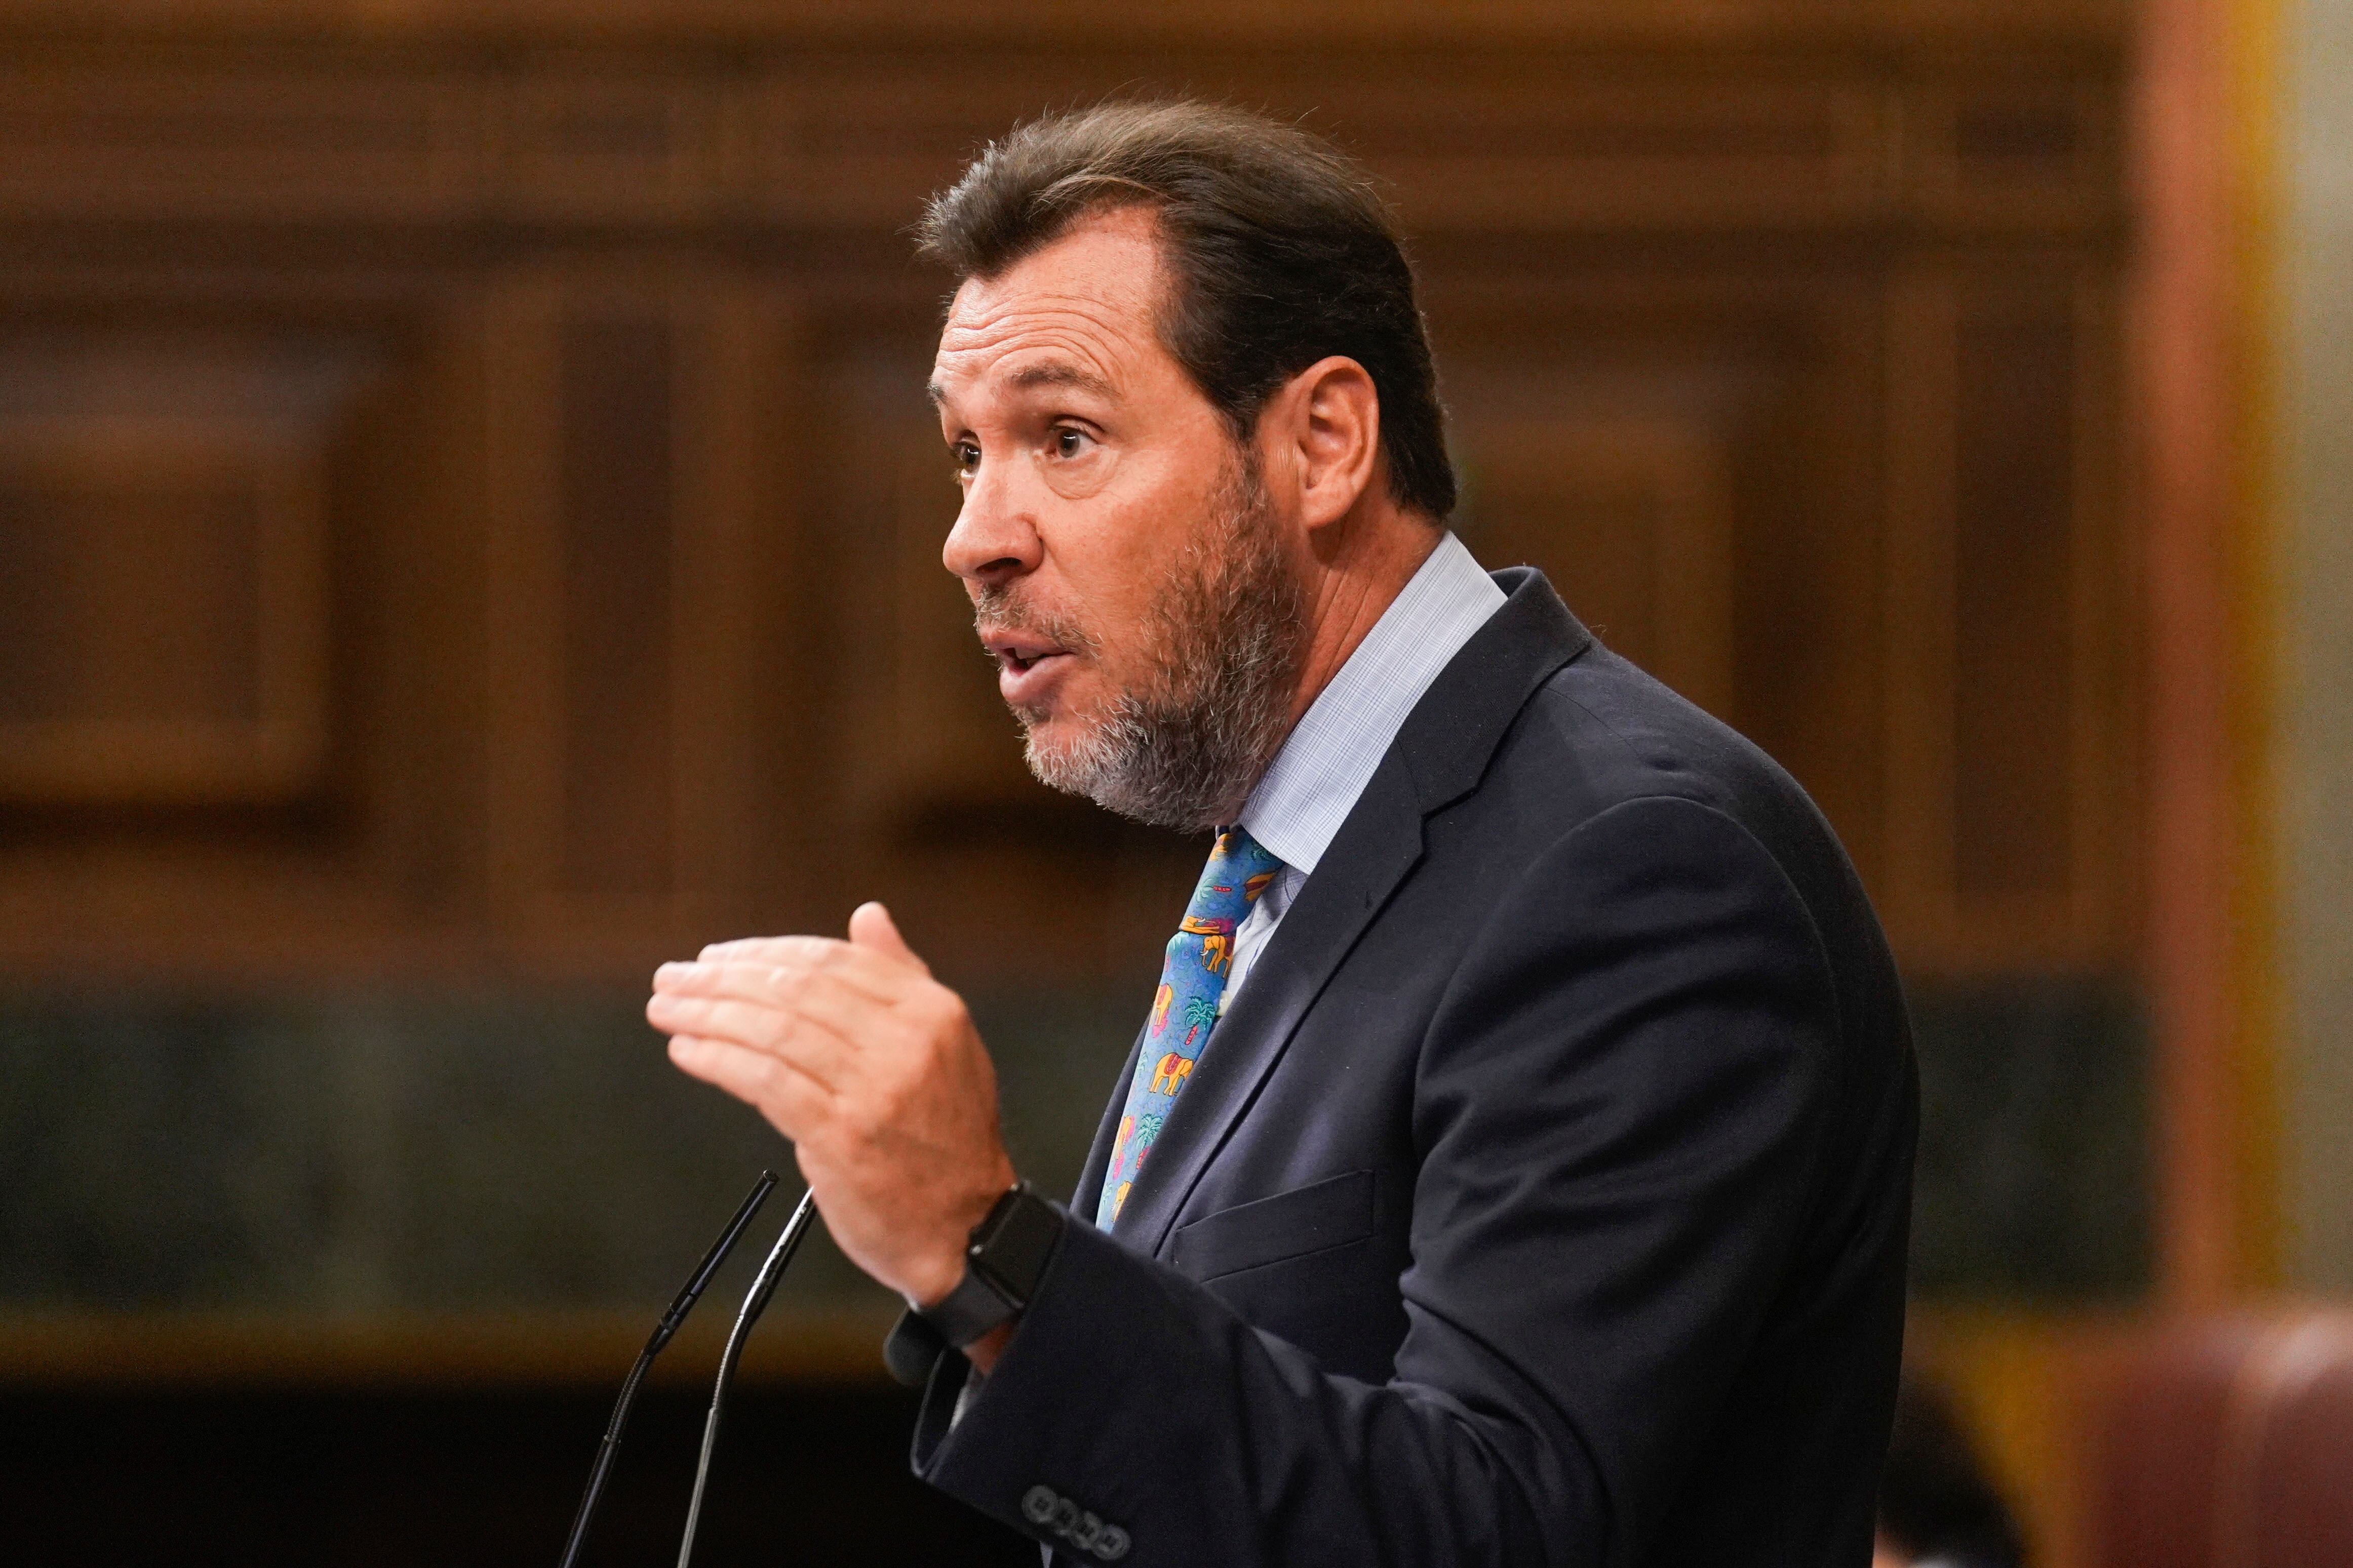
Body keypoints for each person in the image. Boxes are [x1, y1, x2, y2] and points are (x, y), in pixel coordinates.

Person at [647, 100, 1917, 1566]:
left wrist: (988, 1246)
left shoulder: (1638, 868)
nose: (977, 534)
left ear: (1322, 439)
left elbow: (1490, 1533)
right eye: (964, 453)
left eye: (1065, 437)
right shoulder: (1289, 854)